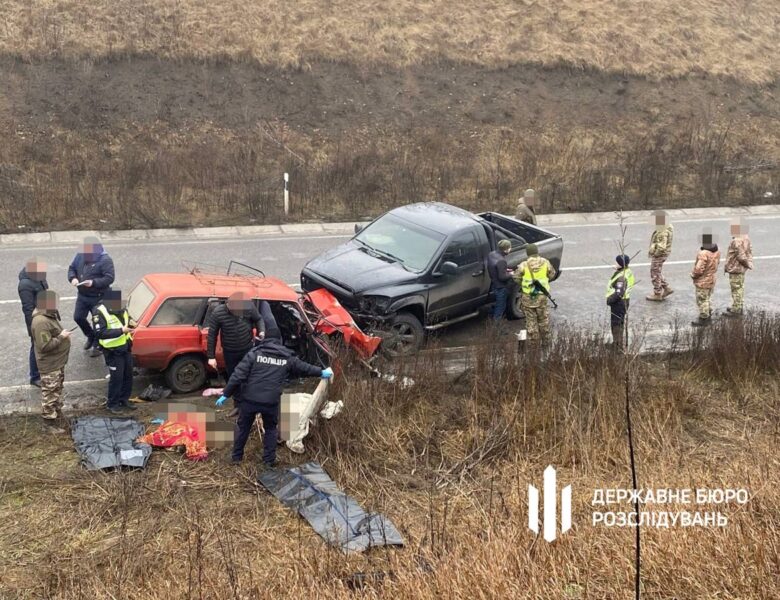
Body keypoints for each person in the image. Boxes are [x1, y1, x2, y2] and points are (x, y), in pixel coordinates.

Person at [216, 335, 333, 467]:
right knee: (271, 429)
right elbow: (305, 368)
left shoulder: (254, 354)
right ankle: (268, 461)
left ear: (264, 342)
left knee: (243, 428)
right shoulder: (287, 357)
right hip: (270, 402)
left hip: (250, 400)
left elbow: (238, 375)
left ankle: (236, 458)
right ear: (280, 343)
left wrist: (226, 394)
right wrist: (321, 372)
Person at [207, 292, 266, 415]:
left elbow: (259, 319)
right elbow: (212, 335)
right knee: (234, 378)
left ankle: (251, 403)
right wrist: (211, 357)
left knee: (249, 377)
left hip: (247, 349)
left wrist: (261, 331)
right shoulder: (218, 313)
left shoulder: (248, 307)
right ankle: (238, 405)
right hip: (230, 352)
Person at [68, 236, 115, 357]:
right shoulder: (80, 255)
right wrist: (73, 278)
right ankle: (90, 335)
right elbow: (72, 268)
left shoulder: (105, 259)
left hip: (98, 297)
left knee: (97, 322)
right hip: (83, 295)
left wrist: (93, 283)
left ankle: (97, 344)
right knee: (78, 317)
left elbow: (109, 278)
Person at [30, 290, 71, 426]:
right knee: (50, 395)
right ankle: (49, 424)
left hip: (57, 362)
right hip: (50, 365)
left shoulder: (48, 315)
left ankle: (57, 416)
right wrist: (61, 337)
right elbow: (45, 346)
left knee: (56, 391)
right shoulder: (41, 322)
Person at [91, 290, 135, 414]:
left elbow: (127, 319)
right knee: (117, 378)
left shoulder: (122, 308)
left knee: (128, 375)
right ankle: (112, 404)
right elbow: (100, 333)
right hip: (113, 351)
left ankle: (124, 399)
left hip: (125, 347)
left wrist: (132, 324)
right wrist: (121, 330)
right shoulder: (99, 312)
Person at [513, 243, 556, 343]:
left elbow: (516, 278)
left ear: (528, 253)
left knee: (530, 321)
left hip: (528, 297)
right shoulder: (545, 262)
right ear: (537, 252)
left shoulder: (523, 265)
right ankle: (546, 341)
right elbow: (552, 274)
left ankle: (534, 343)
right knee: (543, 319)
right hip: (542, 296)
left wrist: (524, 284)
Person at [18, 258, 49, 386]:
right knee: (36, 346)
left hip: (45, 316)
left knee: (46, 343)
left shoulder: (40, 277)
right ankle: (34, 376)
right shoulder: (24, 285)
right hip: (36, 321)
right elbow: (28, 308)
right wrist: (33, 327)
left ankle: (43, 370)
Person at [724, 220, 753, 316]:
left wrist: (746, 263)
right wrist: (749, 264)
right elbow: (749, 251)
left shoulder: (736, 240)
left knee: (736, 289)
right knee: (740, 288)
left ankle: (736, 310)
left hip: (735, 268)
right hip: (741, 269)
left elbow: (741, 256)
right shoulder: (746, 237)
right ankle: (738, 306)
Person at [690, 233, 720, 326]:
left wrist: (693, 275)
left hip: (703, 281)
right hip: (712, 279)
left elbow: (699, 269)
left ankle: (704, 318)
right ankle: (709, 312)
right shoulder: (716, 252)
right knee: (708, 297)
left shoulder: (703, 254)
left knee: (702, 299)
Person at [606, 255, 635, 350]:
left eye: (617, 262)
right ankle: (618, 343)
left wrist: (610, 300)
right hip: (625, 301)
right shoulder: (627, 272)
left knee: (616, 324)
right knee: (620, 323)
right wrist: (618, 269)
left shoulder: (622, 278)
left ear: (621, 264)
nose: (615, 264)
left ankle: (617, 345)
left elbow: (619, 293)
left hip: (618, 303)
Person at [646, 211, 674, 301]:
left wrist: (655, 253)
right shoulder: (666, 227)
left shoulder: (662, 231)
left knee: (654, 272)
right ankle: (666, 288)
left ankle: (657, 293)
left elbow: (662, 246)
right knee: (657, 271)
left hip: (660, 254)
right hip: (664, 253)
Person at [487, 239, 514, 320]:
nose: (510, 249)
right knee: (500, 307)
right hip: (501, 287)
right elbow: (502, 277)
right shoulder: (502, 261)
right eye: (509, 247)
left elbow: (495, 268)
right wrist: (511, 274)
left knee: (497, 303)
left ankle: (491, 316)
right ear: (505, 249)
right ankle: (496, 327)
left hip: (494, 284)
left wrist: (505, 270)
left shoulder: (491, 254)